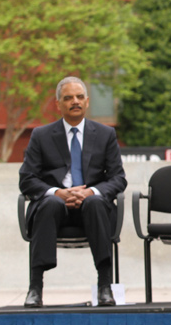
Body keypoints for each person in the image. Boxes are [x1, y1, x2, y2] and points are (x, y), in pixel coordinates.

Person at [19, 76, 127, 307]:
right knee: (50, 204)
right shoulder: (41, 135)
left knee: (96, 203)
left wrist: (92, 192)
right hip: (55, 207)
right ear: (58, 104)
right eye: (68, 98)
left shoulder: (105, 134)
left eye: (79, 97)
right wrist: (57, 192)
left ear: (87, 102)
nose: (74, 101)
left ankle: (105, 286)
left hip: (92, 206)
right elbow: (27, 179)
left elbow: (118, 178)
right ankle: (35, 288)